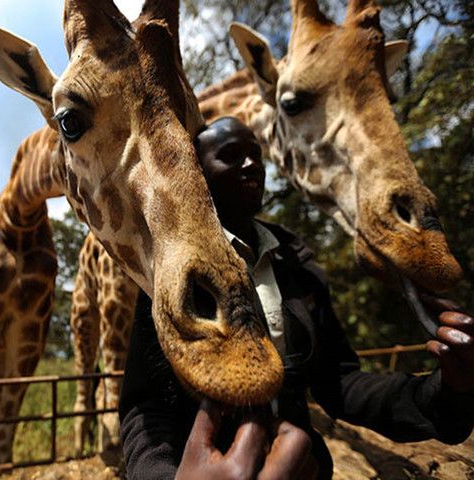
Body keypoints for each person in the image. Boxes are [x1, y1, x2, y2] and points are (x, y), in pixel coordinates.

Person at [118, 117, 474, 479]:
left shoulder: (295, 262)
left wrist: (442, 391)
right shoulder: (173, 273)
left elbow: (338, 382)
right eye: (230, 156)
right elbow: (145, 409)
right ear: (198, 176)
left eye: (255, 155)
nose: (251, 164)